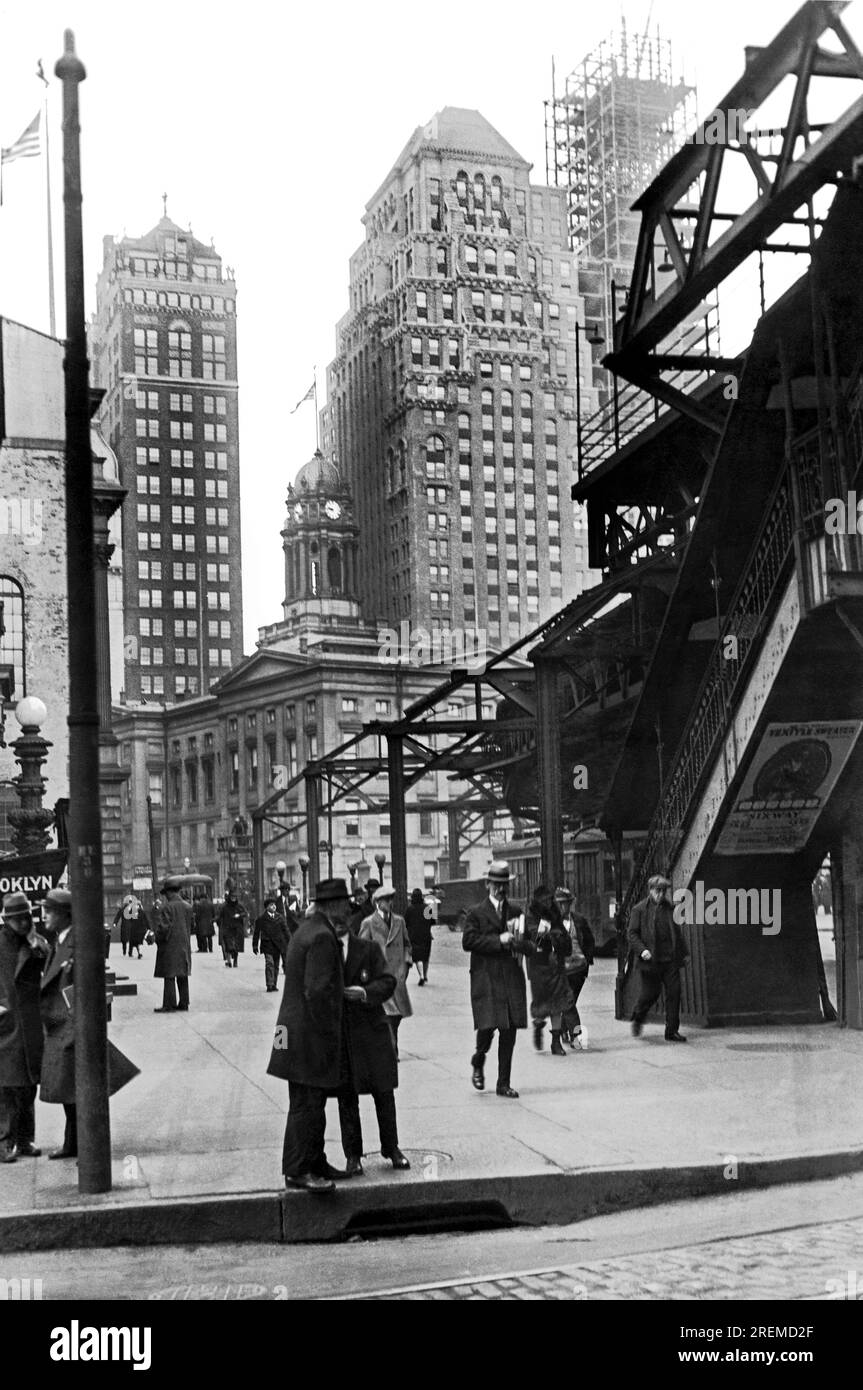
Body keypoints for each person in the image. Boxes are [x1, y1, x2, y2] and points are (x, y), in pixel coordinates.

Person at [267, 878, 355, 1192]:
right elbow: (316, 992)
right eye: (346, 903)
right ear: (334, 905)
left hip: (290, 1030)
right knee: (305, 1103)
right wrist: (329, 1035)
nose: (349, 909)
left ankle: (315, 1161)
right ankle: (298, 1169)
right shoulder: (322, 936)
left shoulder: (306, 928)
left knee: (311, 1101)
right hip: (308, 1034)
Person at [39, 889, 140, 1160]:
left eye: (49, 910)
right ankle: (73, 1142)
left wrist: (73, 1026)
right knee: (68, 1090)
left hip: (69, 1026)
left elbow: (83, 987)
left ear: (64, 914)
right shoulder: (61, 941)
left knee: (73, 1088)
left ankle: (79, 1143)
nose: (44, 914)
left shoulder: (75, 943)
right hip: (60, 1026)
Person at [337, 923, 410, 1174]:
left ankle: (392, 1147)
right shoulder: (323, 950)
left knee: (384, 1091)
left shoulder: (367, 949)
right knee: (347, 1096)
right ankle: (353, 1155)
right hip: (341, 1031)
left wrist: (365, 993)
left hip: (372, 1028)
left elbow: (388, 981)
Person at [462, 862, 534, 1099]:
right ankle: (478, 1059)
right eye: (497, 885)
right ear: (487, 885)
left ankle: (504, 1083)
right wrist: (498, 941)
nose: (501, 889)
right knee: (487, 1027)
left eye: (504, 885)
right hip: (487, 978)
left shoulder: (516, 912)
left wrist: (517, 943)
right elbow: (468, 942)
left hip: (511, 977)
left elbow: (531, 945)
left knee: (509, 1031)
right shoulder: (476, 913)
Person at [0, 892, 50, 1161]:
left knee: (28, 1084)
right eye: (18, 918)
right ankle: (4, 1142)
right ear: (7, 919)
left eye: (26, 917)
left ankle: (25, 1139)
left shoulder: (35, 943)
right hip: (6, 1021)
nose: (23, 922)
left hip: (30, 1022)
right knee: (6, 1086)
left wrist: (32, 939)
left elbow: (47, 960)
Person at [628, 874, 689, 1042]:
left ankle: (671, 1031)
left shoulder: (669, 908)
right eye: (658, 891)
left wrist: (683, 954)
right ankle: (638, 1016)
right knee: (650, 994)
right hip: (650, 961)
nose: (661, 894)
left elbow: (676, 932)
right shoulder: (639, 909)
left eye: (664, 891)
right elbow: (632, 934)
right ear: (650, 891)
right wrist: (642, 950)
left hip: (669, 960)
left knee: (674, 993)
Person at [358, 883, 412, 1059]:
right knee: (388, 1015)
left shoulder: (399, 921)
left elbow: (407, 944)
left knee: (396, 1017)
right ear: (377, 902)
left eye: (392, 899)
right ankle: (391, 1049)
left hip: (398, 975)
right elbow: (362, 949)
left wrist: (407, 963)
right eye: (387, 899)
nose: (391, 902)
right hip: (380, 976)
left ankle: (390, 1045)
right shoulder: (369, 923)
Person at [525, 885, 572, 1056]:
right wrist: (553, 933)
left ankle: (555, 1042)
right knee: (541, 1003)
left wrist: (557, 936)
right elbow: (535, 937)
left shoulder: (555, 914)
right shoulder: (531, 915)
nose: (548, 903)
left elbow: (563, 935)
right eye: (544, 900)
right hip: (539, 965)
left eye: (549, 899)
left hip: (556, 964)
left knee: (557, 1003)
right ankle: (538, 1025)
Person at [554, 886, 595, 1050]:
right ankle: (576, 1036)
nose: (563, 907)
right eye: (560, 904)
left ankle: (564, 1029)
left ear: (570, 904)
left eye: (566, 903)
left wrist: (587, 959)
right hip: (561, 971)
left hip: (578, 970)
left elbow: (590, 940)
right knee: (569, 1003)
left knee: (570, 1002)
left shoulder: (578, 920)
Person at [153, 878, 194, 1013]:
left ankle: (169, 1004)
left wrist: (157, 938)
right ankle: (184, 1002)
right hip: (184, 944)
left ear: (169, 893)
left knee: (169, 975)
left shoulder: (167, 907)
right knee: (182, 974)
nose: (165, 897)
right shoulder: (188, 906)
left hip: (170, 945)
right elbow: (191, 926)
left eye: (166, 894)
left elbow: (164, 928)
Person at [253, 896, 293, 992]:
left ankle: (274, 984)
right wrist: (254, 945)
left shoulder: (280, 917)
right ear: (267, 907)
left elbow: (286, 930)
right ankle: (269, 984)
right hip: (267, 944)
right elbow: (256, 933)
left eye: (274, 905)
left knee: (276, 965)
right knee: (269, 963)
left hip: (278, 944)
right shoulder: (261, 919)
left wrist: (291, 941)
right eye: (271, 905)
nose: (274, 906)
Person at [404, 888, 433, 986]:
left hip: (414, 936)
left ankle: (421, 975)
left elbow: (406, 923)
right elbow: (432, 921)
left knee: (417, 957)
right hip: (426, 936)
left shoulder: (410, 909)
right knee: (425, 957)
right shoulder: (427, 908)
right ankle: (425, 975)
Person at [218, 890, 247, 968]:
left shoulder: (240, 906)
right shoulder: (225, 907)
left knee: (236, 946)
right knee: (228, 945)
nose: (233, 898)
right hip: (228, 928)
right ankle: (229, 960)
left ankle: (235, 961)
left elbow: (245, 913)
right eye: (232, 897)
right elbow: (220, 916)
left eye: (235, 897)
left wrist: (239, 915)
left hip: (237, 928)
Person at [114, 894, 146, 959]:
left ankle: (130, 952)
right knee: (124, 940)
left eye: (131, 902)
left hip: (132, 926)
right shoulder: (122, 909)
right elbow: (118, 916)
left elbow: (138, 916)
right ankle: (124, 950)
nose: (130, 903)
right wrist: (115, 923)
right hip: (124, 925)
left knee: (132, 939)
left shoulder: (134, 909)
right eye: (129, 902)